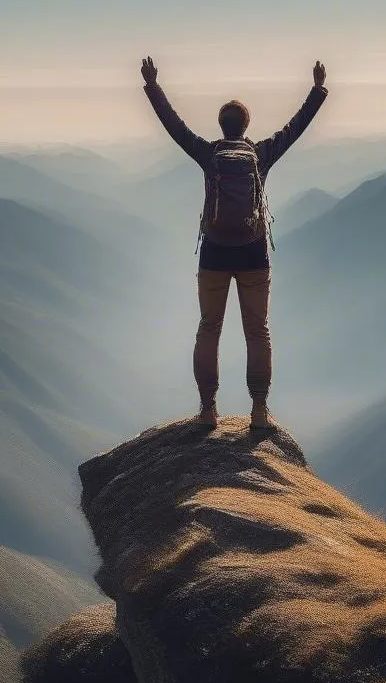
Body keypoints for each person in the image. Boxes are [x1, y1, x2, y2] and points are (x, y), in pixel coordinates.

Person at [141, 55, 328, 429]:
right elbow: (296, 127)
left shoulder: (208, 155)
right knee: (257, 330)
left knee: (209, 327)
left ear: (220, 126)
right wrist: (317, 90)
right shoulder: (260, 155)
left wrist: (153, 86)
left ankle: (208, 410)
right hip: (253, 252)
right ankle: (259, 411)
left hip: (213, 252)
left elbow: (173, 126)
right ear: (246, 127)